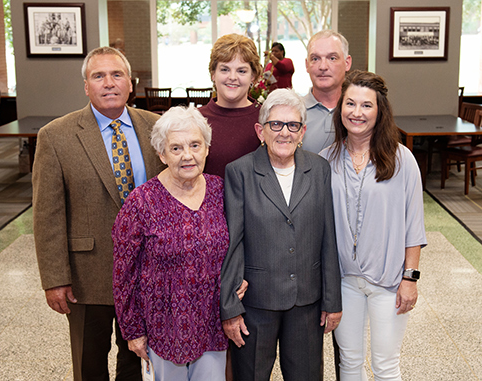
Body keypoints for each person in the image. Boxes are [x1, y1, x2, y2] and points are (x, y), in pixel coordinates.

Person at [33, 46, 164, 381]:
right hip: (86, 275)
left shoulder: (157, 129)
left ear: (130, 83)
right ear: (86, 86)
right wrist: (54, 278)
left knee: (137, 359)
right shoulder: (56, 137)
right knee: (89, 361)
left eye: (117, 74)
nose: (109, 83)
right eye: (99, 76)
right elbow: (47, 215)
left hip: (145, 272)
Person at [112, 106, 247, 380]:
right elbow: (123, 274)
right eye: (176, 148)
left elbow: (240, 243)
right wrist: (133, 331)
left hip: (211, 324)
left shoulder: (221, 191)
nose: (188, 155)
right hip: (162, 327)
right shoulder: (141, 202)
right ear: (162, 154)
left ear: (207, 148)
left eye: (195, 145)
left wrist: (239, 279)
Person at [220, 88, 342, 381]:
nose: (284, 132)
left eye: (293, 125)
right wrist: (230, 307)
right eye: (276, 124)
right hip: (256, 302)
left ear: (303, 131)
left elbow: (328, 237)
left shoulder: (320, 169)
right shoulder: (240, 172)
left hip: (306, 303)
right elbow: (233, 243)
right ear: (260, 130)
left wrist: (332, 301)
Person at [319, 70, 427, 380]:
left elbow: (414, 226)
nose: (356, 112)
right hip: (343, 282)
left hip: (388, 282)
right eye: (350, 104)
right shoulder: (326, 161)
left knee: (385, 365)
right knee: (349, 363)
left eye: (366, 105)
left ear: (380, 111)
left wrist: (411, 279)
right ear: (340, 109)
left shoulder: (401, 160)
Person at [199, 33, 263, 178]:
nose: (233, 77)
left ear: (253, 76)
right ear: (213, 74)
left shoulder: (266, 119)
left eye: (241, 71)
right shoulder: (195, 119)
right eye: (225, 69)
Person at [303, 30, 352, 155]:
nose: (323, 67)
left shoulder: (360, 113)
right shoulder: (294, 112)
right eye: (315, 59)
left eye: (332, 58)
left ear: (347, 63)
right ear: (307, 65)